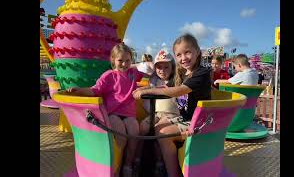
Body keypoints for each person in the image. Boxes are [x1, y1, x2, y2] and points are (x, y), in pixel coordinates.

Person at [133, 33, 211, 177]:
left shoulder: (201, 73)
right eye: (179, 54)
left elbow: (179, 90)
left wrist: (151, 90)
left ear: (197, 51)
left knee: (162, 133)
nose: (183, 58)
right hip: (185, 119)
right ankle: (156, 164)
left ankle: (171, 172)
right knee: (156, 130)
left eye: (187, 52)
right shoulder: (184, 73)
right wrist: (144, 88)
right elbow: (164, 85)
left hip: (198, 122)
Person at [66, 43, 147, 177]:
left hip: (129, 114)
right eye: (120, 60)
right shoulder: (109, 75)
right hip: (113, 113)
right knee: (122, 138)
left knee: (134, 135)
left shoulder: (133, 73)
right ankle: (117, 168)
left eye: (128, 60)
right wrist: (79, 90)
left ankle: (128, 166)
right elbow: (95, 90)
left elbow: (149, 69)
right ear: (113, 60)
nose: (124, 64)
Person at [134, 49, 179, 177]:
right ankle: (137, 160)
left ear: (172, 67)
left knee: (160, 131)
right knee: (142, 128)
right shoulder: (154, 80)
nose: (162, 70)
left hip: (172, 115)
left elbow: (166, 90)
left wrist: (149, 89)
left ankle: (160, 164)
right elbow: (142, 70)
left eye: (166, 67)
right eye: (159, 67)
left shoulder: (176, 81)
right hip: (156, 113)